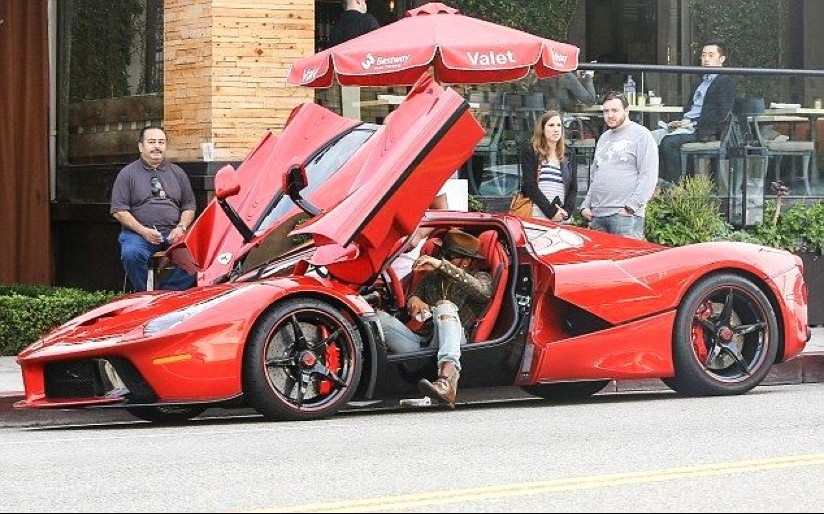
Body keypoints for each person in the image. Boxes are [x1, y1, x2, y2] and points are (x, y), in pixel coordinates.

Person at [376, 229, 492, 408]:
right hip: (425, 341)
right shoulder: (431, 278)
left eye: (449, 256)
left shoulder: (480, 276)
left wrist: (441, 265)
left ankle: (447, 379)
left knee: (445, 306)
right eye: (441, 254)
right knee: (377, 318)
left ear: (466, 261)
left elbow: (483, 292)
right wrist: (413, 300)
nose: (442, 258)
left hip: (457, 341)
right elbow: (414, 301)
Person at [110, 126, 197, 292]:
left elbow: (189, 207)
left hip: (174, 233)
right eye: (151, 142)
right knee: (131, 253)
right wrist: (143, 231)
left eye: (161, 142)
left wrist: (180, 228)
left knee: (199, 254)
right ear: (141, 146)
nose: (157, 146)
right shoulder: (127, 174)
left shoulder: (178, 173)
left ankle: (166, 294)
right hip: (138, 235)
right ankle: (142, 294)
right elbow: (119, 211)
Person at [652, 38, 736, 183]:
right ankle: (657, 182)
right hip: (685, 125)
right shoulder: (699, 81)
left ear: (722, 59)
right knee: (649, 138)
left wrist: (694, 122)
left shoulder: (725, 82)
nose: (706, 59)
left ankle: (675, 186)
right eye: (703, 55)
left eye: (711, 55)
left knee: (668, 143)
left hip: (703, 129)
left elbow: (721, 114)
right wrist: (677, 121)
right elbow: (689, 108)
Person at [580, 91, 658, 240]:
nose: (610, 115)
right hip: (597, 215)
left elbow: (648, 175)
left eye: (615, 110)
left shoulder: (642, 135)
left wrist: (631, 207)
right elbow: (595, 175)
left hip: (625, 216)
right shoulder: (604, 138)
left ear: (626, 110)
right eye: (606, 111)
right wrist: (585, 205)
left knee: (627, 255)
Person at [517, 110, 578, 222]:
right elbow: (530, 185)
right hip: (536, 215)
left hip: (561, 217)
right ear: (542, 129)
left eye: (559, 125)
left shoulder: (569, 153)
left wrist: (566, 212)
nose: (556, 129)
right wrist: (551, 212)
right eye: (551, 125)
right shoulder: (531, 151)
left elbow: (573, 187)